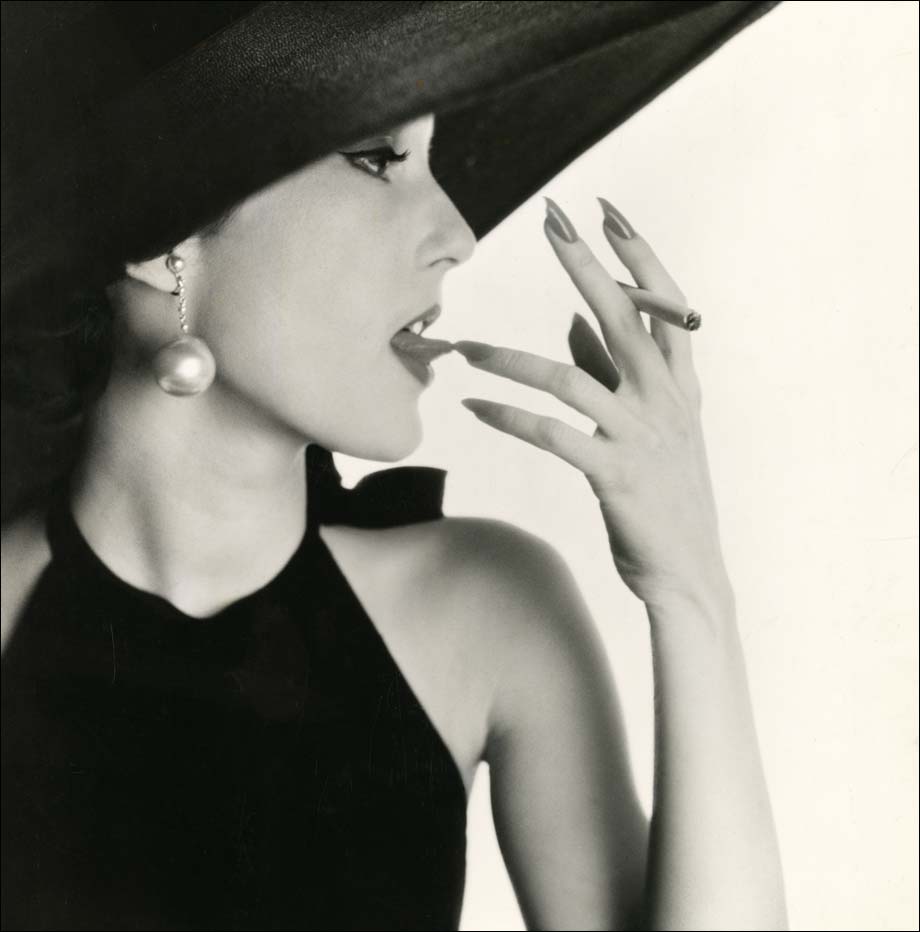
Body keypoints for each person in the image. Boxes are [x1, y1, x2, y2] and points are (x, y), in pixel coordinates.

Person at [1, 3, 789, 930]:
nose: (458, 232)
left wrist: (691, 585)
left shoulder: (488, 613)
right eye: (378, 156)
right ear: (164, 235)